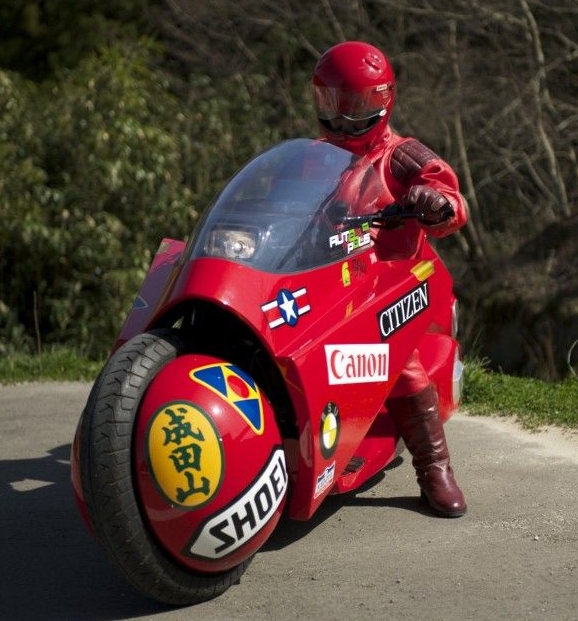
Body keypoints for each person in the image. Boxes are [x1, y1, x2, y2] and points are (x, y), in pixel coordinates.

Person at [312, 41, 468, 517]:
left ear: (383, 101)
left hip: (390, 283)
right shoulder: (312, 155)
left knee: (397, 360)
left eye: (354, 105)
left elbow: (449, 196)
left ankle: (434, 467)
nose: (342, 117)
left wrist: (435, 202)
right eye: (331, 103)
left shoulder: (402, 155)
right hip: (329, 277)